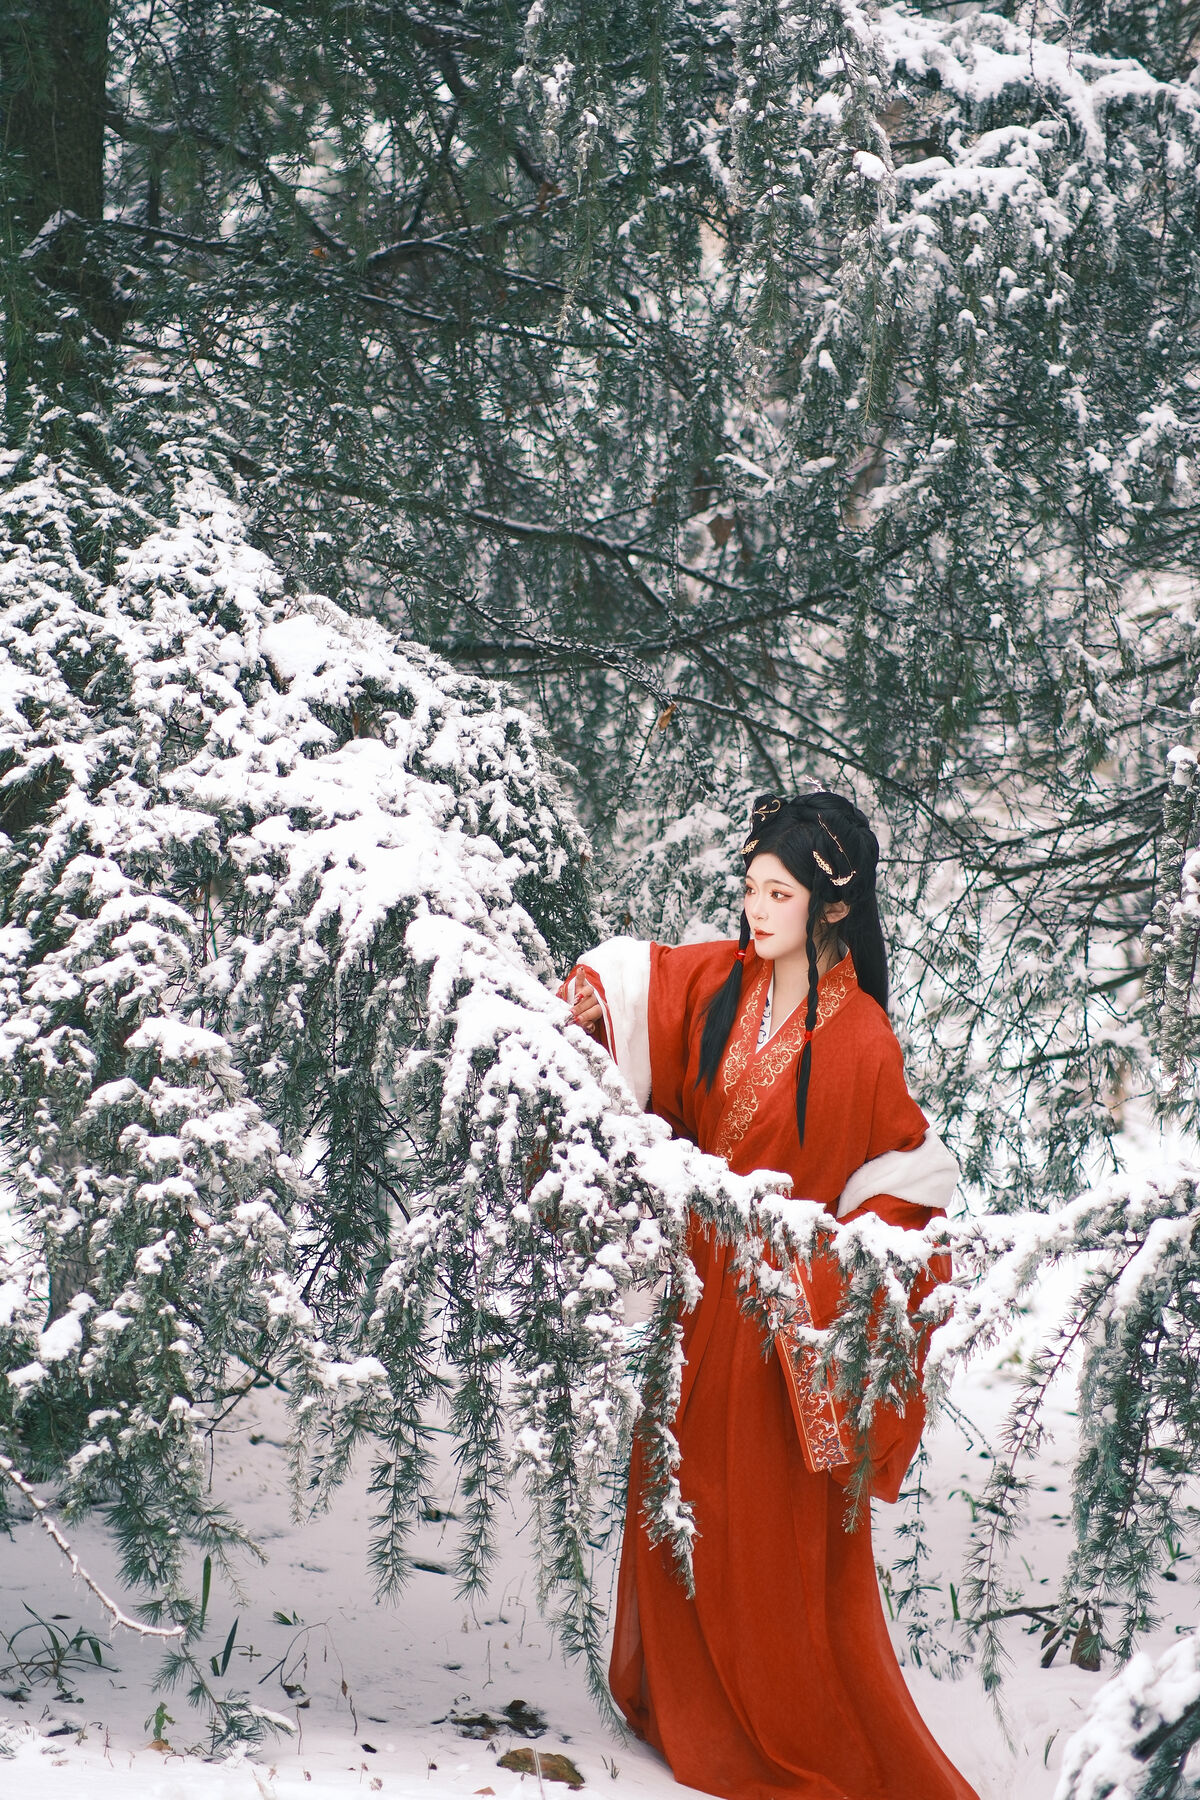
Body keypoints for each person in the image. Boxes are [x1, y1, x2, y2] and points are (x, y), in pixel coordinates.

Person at [562, 792, 979, 1800]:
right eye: (751, 887)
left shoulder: (863, 1038)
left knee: (757, 1516)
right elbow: (636, 987)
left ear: (833, 907)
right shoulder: (720, 982)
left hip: (786, 1312)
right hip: (697, 1289)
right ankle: (684, 1696)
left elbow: (904, 1187)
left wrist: (823, 1275)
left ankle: (772, 1719)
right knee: (680, 1488)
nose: (756, 908)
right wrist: (585, 1012)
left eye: (779, 894)